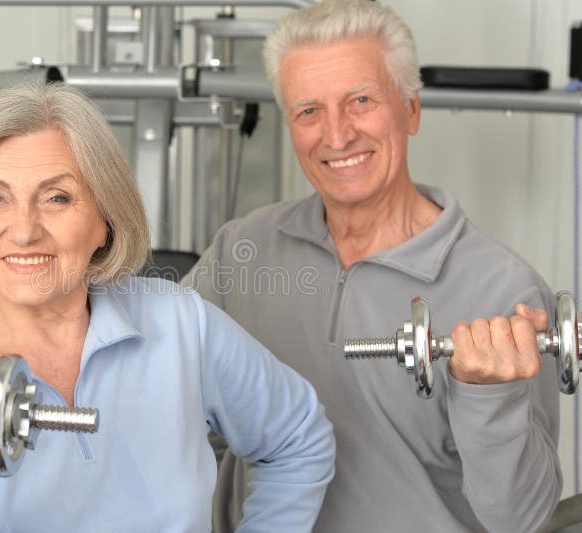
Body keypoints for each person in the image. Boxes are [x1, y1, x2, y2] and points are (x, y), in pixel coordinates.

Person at [0, 82, 336, 532]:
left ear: (105, 221)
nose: (25, 230)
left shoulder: (179, 322)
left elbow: (299, 436)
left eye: (57, 197)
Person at [182, 1, 562, 531]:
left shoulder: (504, 291)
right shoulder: (242, 251)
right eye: (308, 111)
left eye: (360, 100)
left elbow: (521, 519)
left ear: (410, 109)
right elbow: (164, 404)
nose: (336, 136)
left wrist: (488, 396)